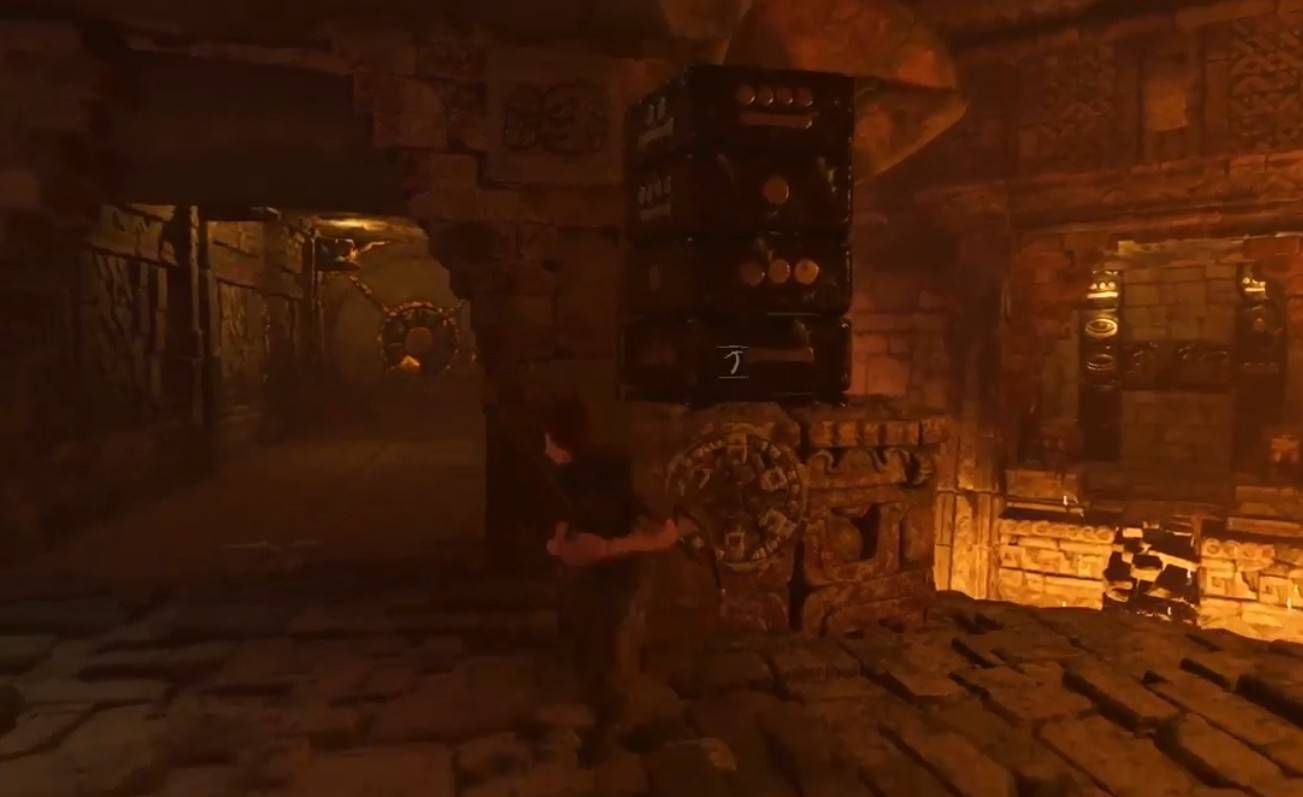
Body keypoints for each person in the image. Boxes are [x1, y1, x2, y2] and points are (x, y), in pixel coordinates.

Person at [541, 396, 680, 759]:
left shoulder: (609, 471)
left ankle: (619, 727)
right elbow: (564, 532)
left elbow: (665, 532)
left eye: (547, 440)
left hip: (622, 572)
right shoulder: (567, 477)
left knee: (614, 647)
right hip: (596, 574)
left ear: (556, 439)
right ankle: (606, 719)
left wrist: (610, 547)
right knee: (595, 646)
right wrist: (565, 546)